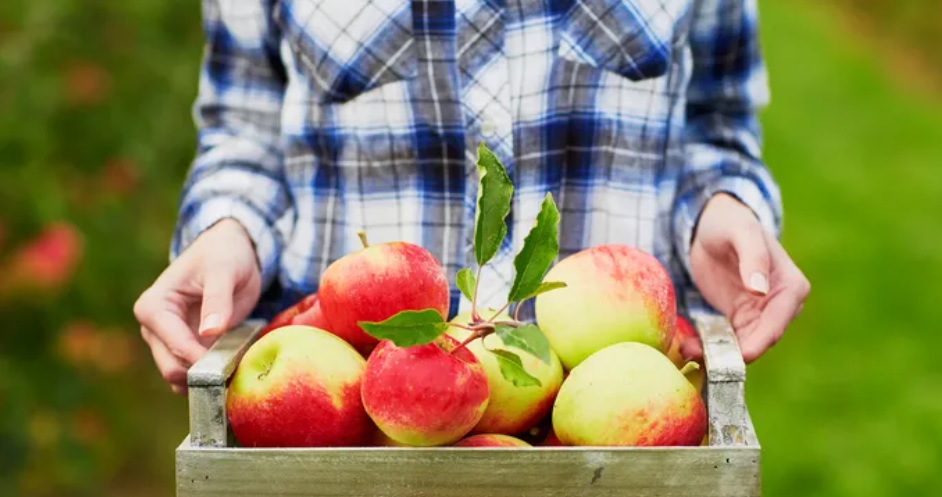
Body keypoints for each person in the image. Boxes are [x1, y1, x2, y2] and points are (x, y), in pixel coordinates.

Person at [134, 0, 810, 394]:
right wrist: (229, 229)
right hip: (345, 445)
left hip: (623, 451)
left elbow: (716, 117)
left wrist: (718, 205)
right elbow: (245, 130)